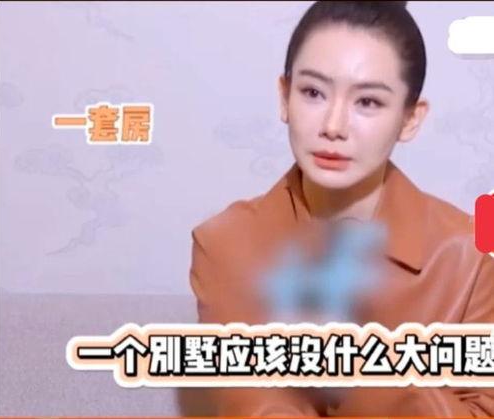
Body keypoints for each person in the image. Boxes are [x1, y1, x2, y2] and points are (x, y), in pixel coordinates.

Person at [188, 1, 494, 416]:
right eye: (313, 93)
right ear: (284, 96)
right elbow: (251, 404)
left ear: (410, 119)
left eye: (367, 102)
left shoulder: (471, 257)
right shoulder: (224, 244)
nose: (333, 126)